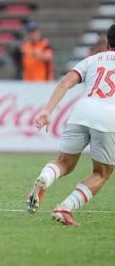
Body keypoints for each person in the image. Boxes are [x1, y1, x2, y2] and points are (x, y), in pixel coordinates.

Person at [26, 23, 115, 226]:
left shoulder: (92, 60)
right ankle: (65, 208)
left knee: (65, 162)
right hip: (109, 117)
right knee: (102, 172)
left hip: (81, 112)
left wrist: (47, 111)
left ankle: (45, 178)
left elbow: (65, 82)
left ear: (108, 42)